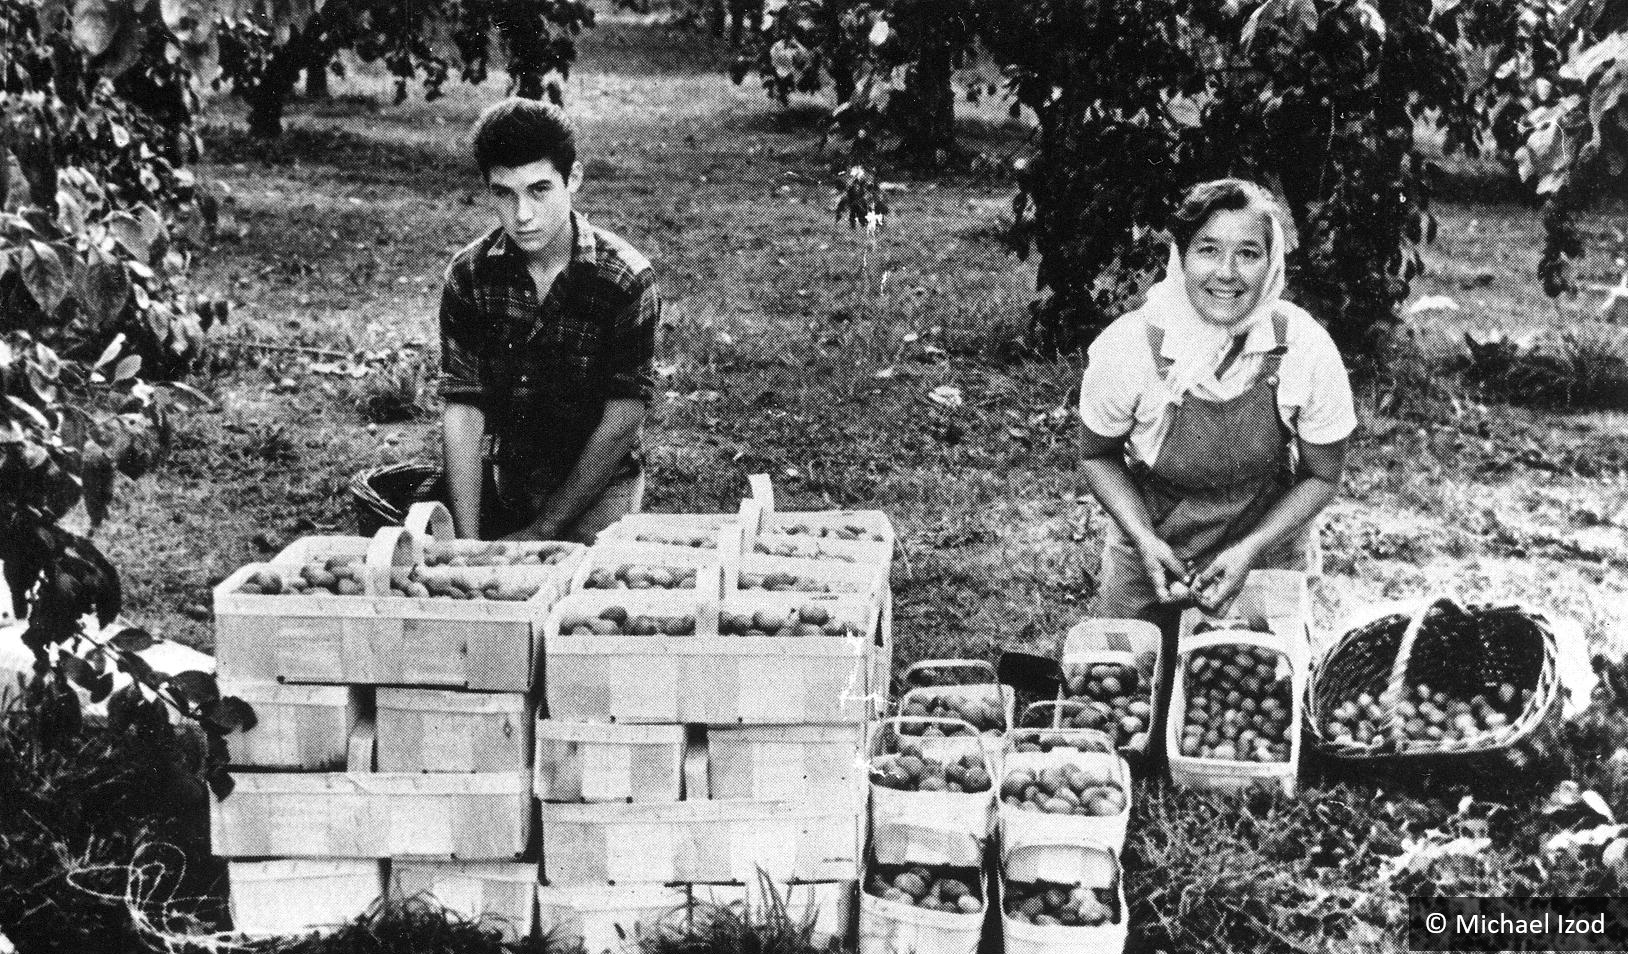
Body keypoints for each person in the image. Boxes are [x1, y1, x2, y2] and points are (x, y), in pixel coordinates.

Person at [1078, 178, 1357, 633]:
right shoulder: (1129, 348)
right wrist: (1144, 539)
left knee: (1265, 685)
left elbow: (1323, 475)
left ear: (1271, 264)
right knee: (1130, 685)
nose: (1226, 273)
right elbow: (1097, 454)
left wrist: (1251, 548)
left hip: (1267, 546)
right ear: (1180, 257)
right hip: (1155, 552)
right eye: (1207, 250)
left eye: (1248, 253)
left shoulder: (1304, 348)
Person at [435, 98, 659, 543]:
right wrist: (465, 542)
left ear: (572, 178)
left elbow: (622, 419)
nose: (522, 215)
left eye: (539, 190)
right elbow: (463, 407)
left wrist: (546, 529)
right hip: (510, 481)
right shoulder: (469, 277)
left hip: (600, 486)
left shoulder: (626, 281)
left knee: (586, 602)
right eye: (504, 193)